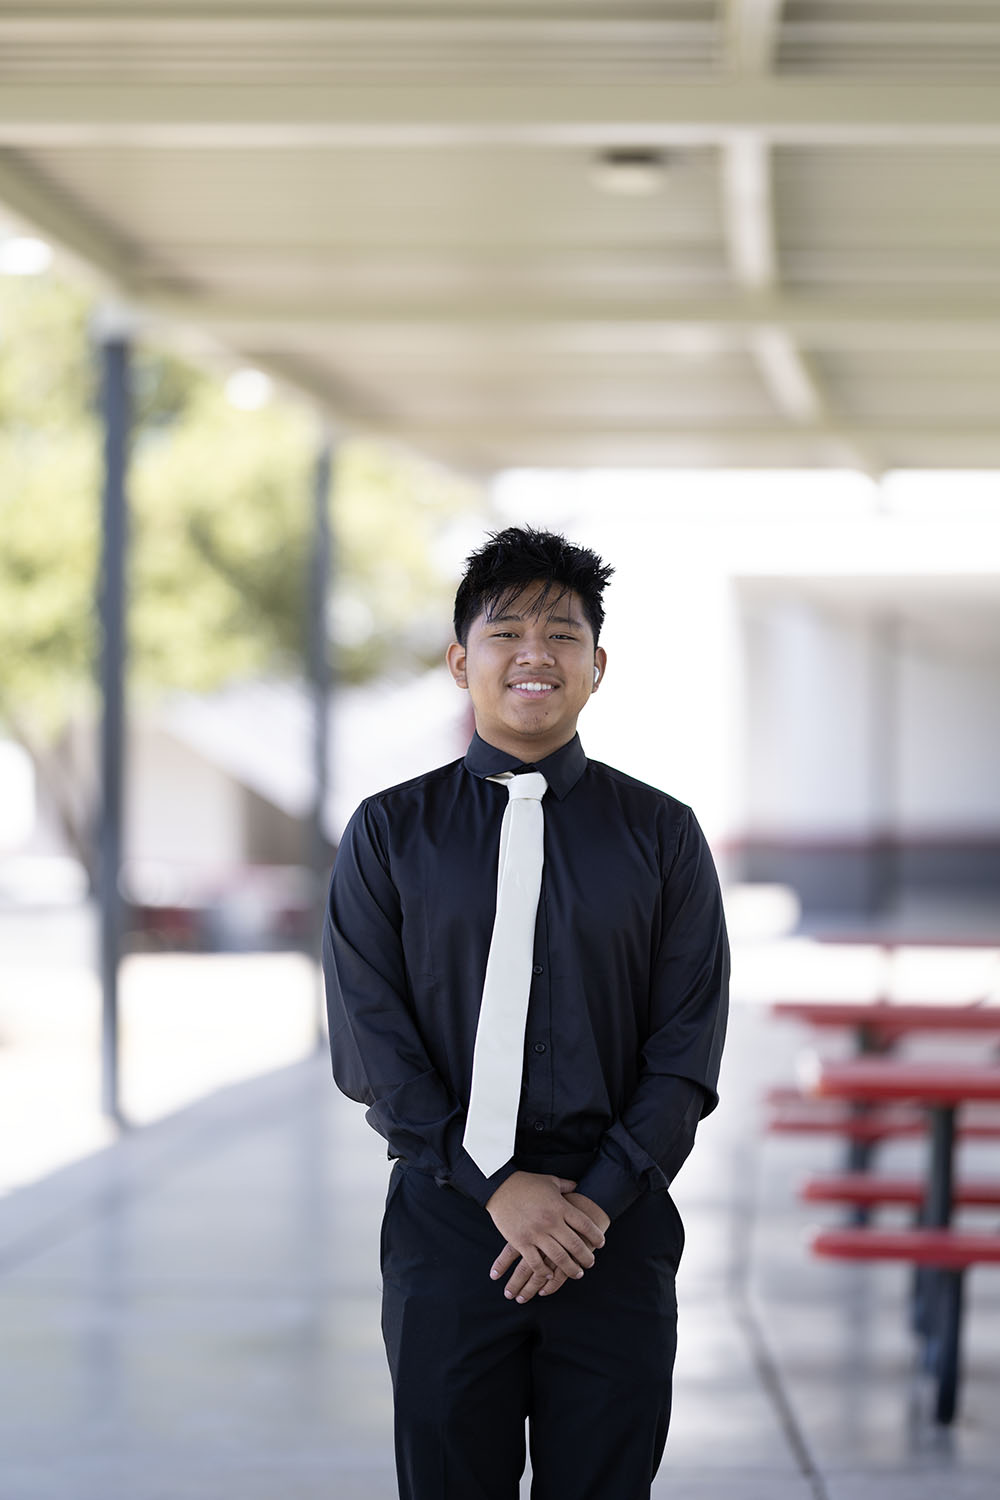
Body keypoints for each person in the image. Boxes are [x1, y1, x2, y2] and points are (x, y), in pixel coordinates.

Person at [323, 525, 729, 1500]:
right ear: (462, 661)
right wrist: (497, 1184)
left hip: (615, 1225)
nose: (534, 654)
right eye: (506, 633)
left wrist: (589, 1204)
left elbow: (686, 1047)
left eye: (562, 634)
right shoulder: (388, 833)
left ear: (598, 666)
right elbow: (371, 1044)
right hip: (451, 1222)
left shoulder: (663, 836)